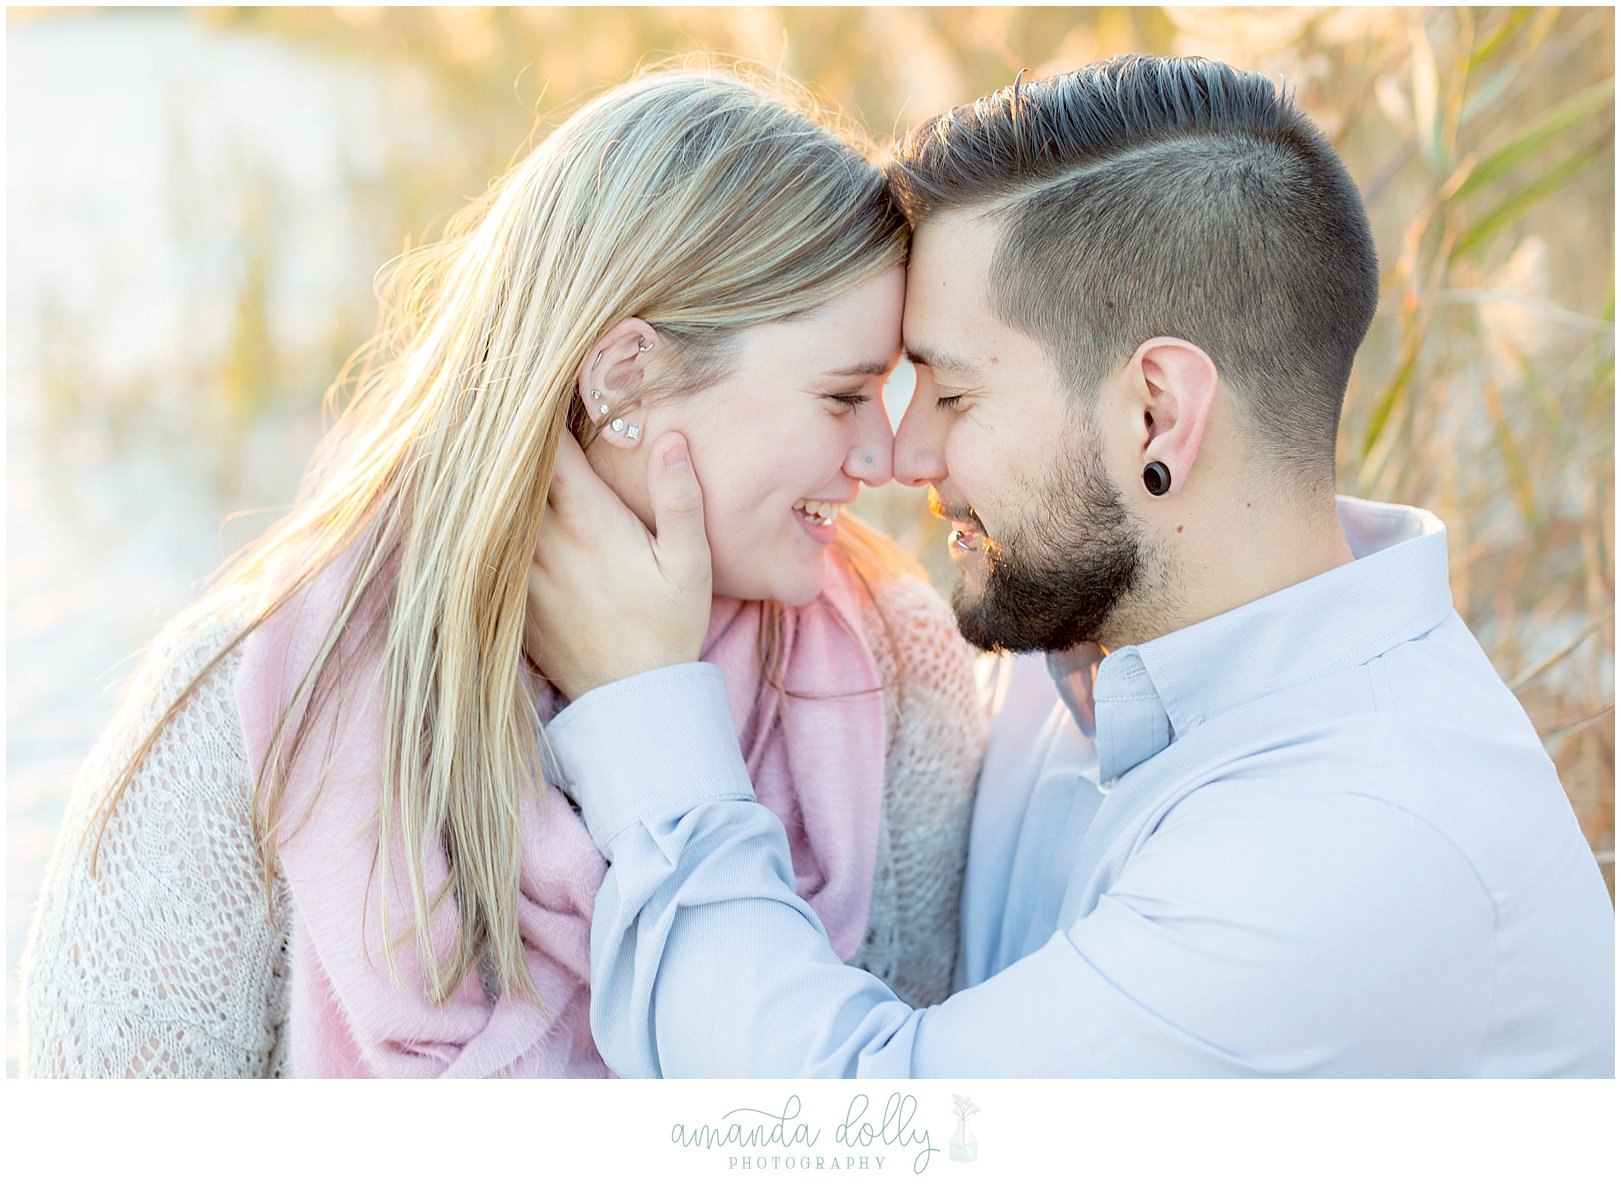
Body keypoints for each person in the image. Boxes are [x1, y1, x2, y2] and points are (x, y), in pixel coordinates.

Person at [525, 55, 1616, 1076]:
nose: (904, 456)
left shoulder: (1362, 840)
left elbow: (864, 1135)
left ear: (1156, 415)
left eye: (952, 396)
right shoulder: (1090, 656)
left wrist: (643, 711)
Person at [19, 68, 987, 1077]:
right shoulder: (250, 696)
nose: (883, 457)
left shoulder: (902, 668)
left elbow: (901, 1116)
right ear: (625, 379)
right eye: (842, 396)